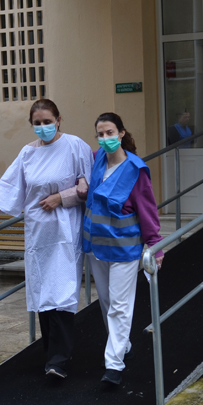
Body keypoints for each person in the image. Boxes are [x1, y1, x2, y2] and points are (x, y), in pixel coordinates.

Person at [0, 99, 93, 379]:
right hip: (39, 234)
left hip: (65, 233)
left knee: (62, 294)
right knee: (43, 294)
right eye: (37, 123)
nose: (43, 127)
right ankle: (51, 355)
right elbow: (7, 187)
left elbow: (89, 186)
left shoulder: (75, 146)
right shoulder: (28, 153)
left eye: (47, 121)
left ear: (59, 120)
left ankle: (59, 360)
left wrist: (61, 197)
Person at [83, 112, 163, 387]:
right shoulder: (97, 159)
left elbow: (147, 210)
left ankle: (114, 364)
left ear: (121, 133)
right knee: (106, 301)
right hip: (96, 246)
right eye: (100, 134)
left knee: (119, 305)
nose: (105, 138)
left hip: (124, 249)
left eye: (110, 133)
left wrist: (155, 246)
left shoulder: (135, 169)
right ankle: (122, 345)